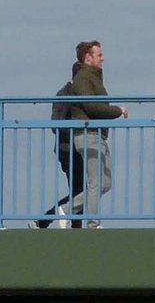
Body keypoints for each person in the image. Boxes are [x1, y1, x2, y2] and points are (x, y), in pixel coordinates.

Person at [37, 40, 126, 228]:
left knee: (104, 183)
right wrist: (118, 111)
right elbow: (91, 106)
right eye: (99, 54)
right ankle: (91, 225)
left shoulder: (93, 78)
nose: (103, 58)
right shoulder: (83, 79)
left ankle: (66, 210)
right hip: (82, 138)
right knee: (92, 184)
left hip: (95, 135)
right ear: (88, 57)